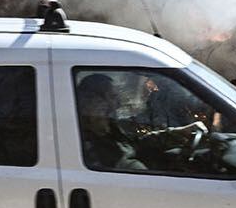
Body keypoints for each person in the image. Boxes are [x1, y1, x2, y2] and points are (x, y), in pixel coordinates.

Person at [76, 72, 209, 173]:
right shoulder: (86, 142)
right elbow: (122, 166)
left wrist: (179, 131)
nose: (117, 104)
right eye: (111, 97)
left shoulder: (111, 127)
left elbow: (139, 142)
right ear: (94, 103)